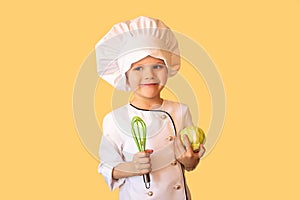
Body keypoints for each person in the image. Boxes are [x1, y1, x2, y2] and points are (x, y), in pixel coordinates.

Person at [95, 16, 205, 200]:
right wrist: (131, 168)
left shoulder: (181, 111)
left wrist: (191, 161)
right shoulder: (114, 120)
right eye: (138, 69)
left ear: (168, 69)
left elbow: (189, 162)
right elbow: (107, 167)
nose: (149, 75)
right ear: (125, 76)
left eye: (157, 66)